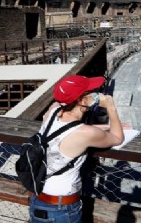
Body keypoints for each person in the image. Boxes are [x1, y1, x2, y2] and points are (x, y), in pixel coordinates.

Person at [28, 74, 124, 223]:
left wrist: (107, 126)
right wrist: (110, 106)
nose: (96, 94)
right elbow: (118, 138)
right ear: (82, 100)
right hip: (62, 209)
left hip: (38, 200)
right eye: (91, 91)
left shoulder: (53, 111)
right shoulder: (85, 133)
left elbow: (70, 129)